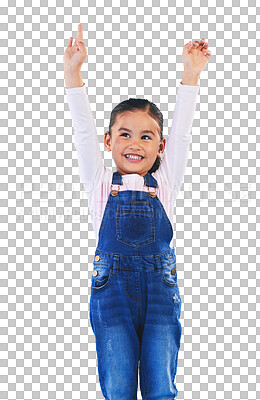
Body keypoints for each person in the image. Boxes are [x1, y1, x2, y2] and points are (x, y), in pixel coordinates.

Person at [64, 23, 211, 400]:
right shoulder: (99, 183)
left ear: (160, 146)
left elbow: (182, 131)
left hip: (161, 292)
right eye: (125, 134)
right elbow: (82, 131)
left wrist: (190, 74)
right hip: (110, 292)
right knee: (117, 386)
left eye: (147, 137)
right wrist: (73, 73)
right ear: (109, 140)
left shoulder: (166, 183)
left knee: (161, 388)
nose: (135, 144)